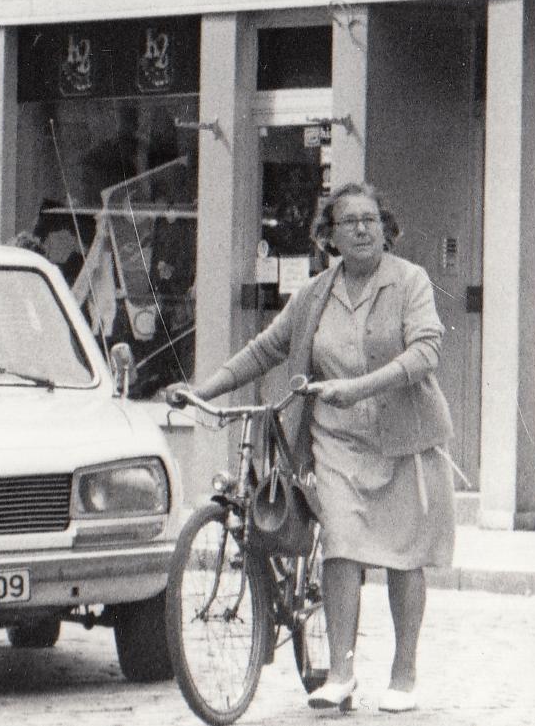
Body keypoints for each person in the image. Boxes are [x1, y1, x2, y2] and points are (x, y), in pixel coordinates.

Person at [174, 182, 454, 714]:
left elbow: (426, 351)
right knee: (341, 547)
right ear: (329, 236)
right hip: (337, 440)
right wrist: (201, 389)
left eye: (372, 219)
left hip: (403, 440)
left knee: (403, 556)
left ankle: (404, 672)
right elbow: (265, 350)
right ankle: (341, 672)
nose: (364, 229)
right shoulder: (314, 295)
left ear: (386, 228)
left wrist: (360, 387)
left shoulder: (409, 281)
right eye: (351, 222)